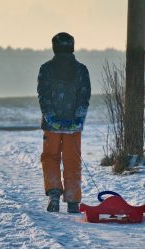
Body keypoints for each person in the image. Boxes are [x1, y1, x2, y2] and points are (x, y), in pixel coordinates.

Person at [37, 32, 91, 213]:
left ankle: (54, 193)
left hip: (51, 125)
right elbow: (84, 97)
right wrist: (78, 118)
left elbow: (43, 96)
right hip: (74, 126)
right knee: (72, 160)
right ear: (72, 46)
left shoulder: (45, 69)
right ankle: (73, 200)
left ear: (54, 47)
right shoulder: (81, 70)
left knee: (50, 157)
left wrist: (50, 116)